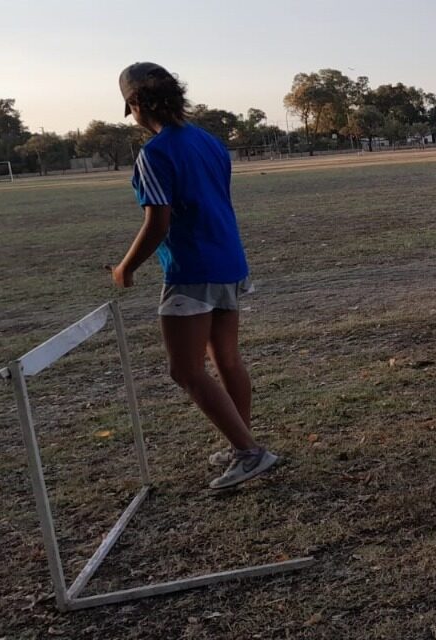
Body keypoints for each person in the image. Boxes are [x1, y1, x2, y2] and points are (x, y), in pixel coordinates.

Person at [110, 62, 278, 489]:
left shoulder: (155, 153)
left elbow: (158, 222)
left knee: (184, 370)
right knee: (226, 359)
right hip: (230, 262)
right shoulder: (209, 141)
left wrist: (126, 268)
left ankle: (249, 452)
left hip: (192, 270)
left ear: (136, 103)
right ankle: (243, 442)